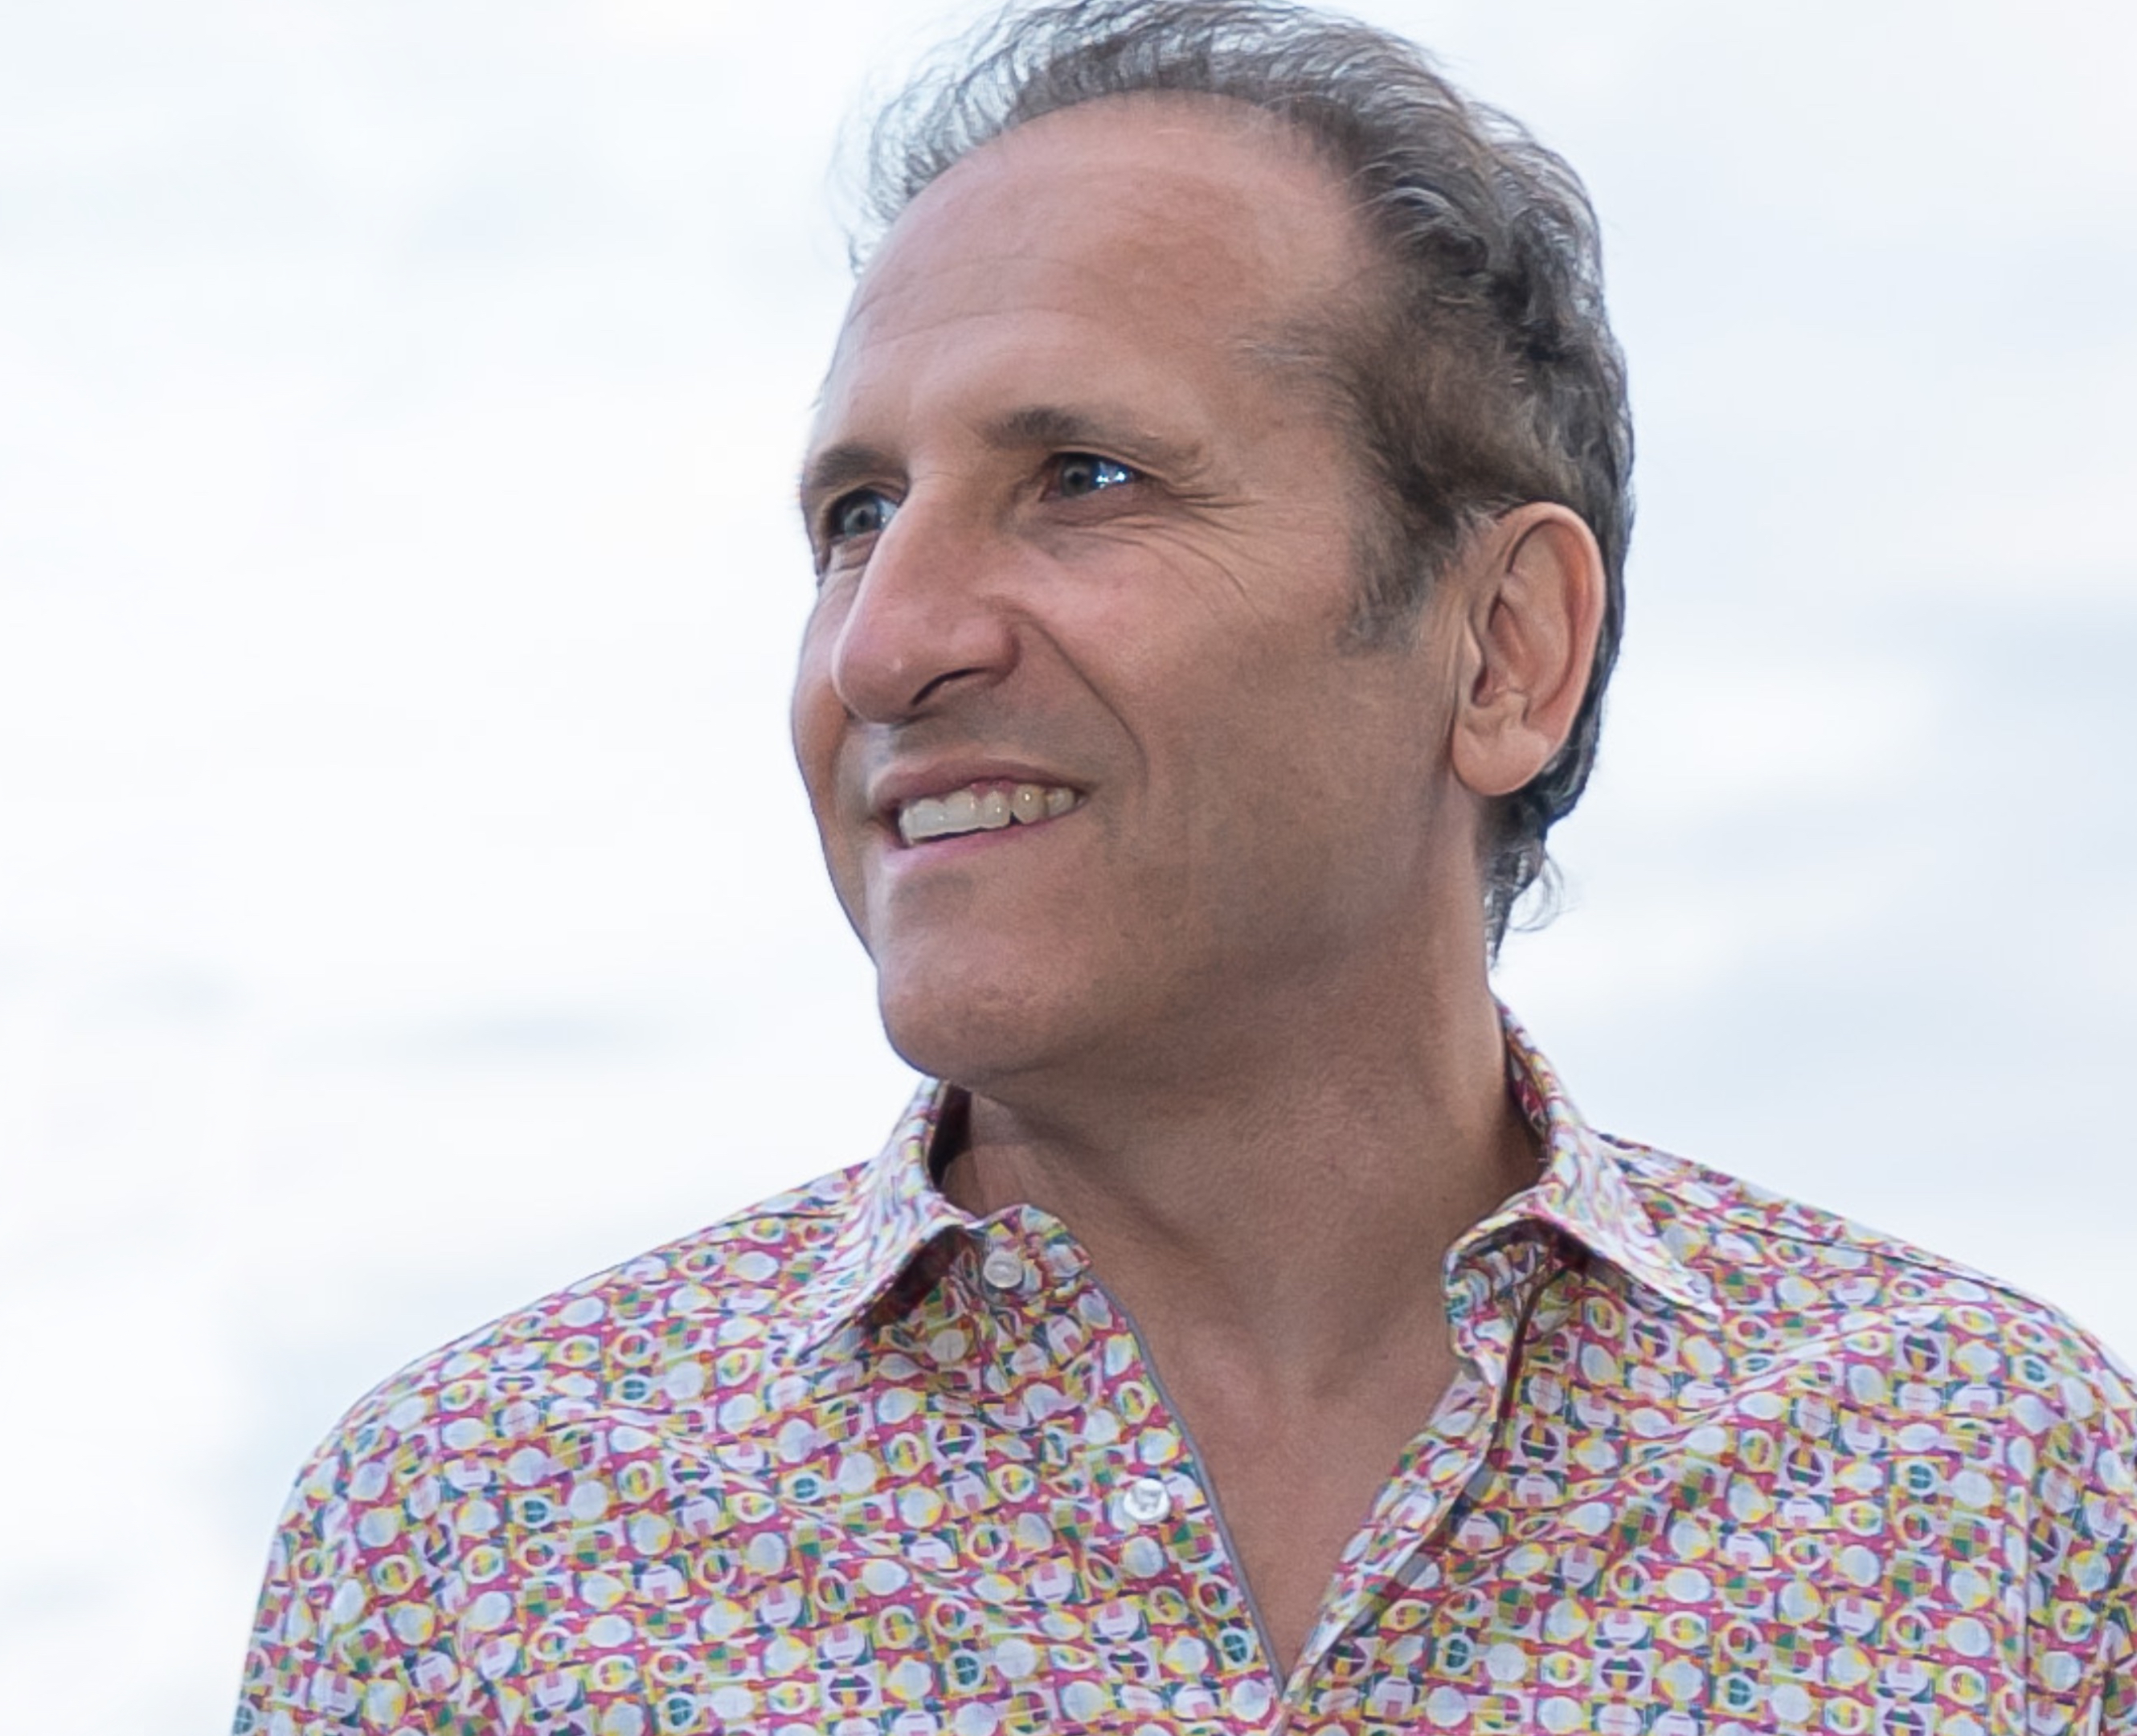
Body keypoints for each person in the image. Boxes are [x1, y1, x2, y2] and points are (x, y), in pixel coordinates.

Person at [234, 2, 2137, 1729]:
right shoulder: (473, 1548)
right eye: (856, 516)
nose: (884, 647)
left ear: (1503, 651)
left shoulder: (1991, 1494)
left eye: (1086, 478)